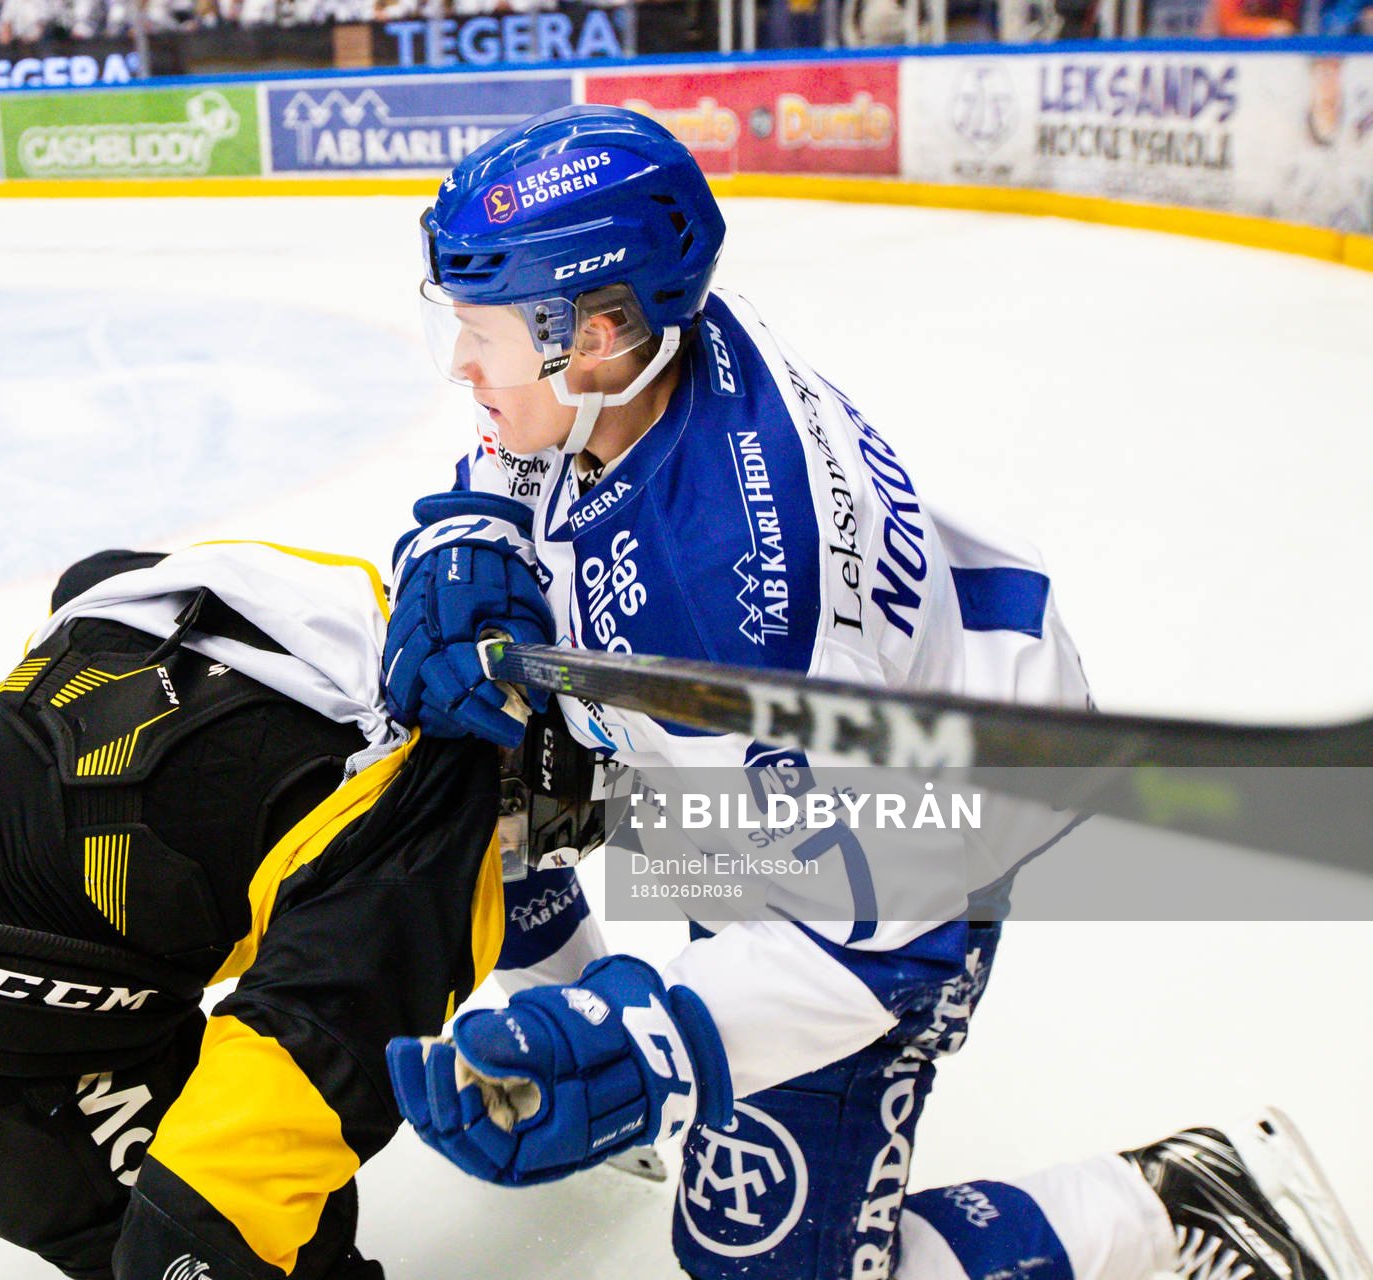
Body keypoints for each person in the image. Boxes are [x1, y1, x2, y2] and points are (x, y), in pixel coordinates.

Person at [381, 105, 1371, 1280]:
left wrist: (652, 1047)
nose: (459, 366)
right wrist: (474, 523)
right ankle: (591, 1022)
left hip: (921, 824)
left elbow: (883, 925)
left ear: (593, 334)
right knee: (457, 755)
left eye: (481, 334)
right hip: (757, 771)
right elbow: (526, 437)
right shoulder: (643, 348)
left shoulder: (743, 598)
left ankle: (1182, 1196)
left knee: (764, 1266)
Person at [0, 541, 508, 1280]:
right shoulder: (422, 839)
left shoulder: (309, 589)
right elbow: (212, 1198)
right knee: (273, 1242)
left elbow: (87, 580)